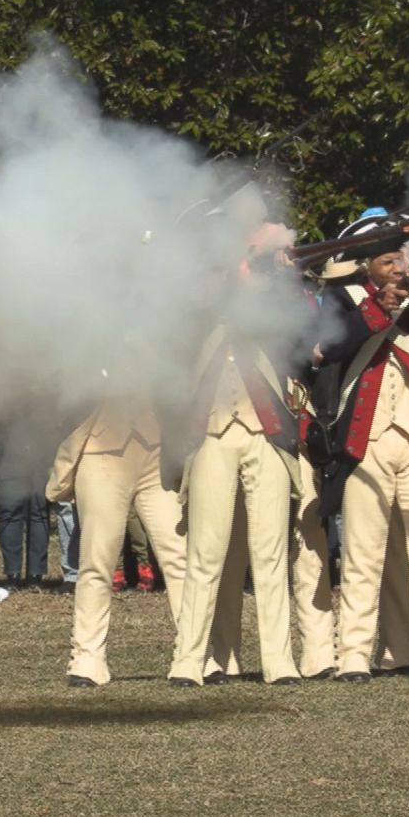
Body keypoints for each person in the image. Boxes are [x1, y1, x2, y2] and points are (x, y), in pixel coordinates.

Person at [313, 214, 409, 682]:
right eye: (388, 260)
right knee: (362, 556)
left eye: (402, 258)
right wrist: (377, 309)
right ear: (368, 267)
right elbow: (331, 350)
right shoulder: (342, 299)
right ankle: (355, 657)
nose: (399, 267)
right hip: (365, 444)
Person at [168, 257, 303, 687]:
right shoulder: (195, 306)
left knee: (270, 554)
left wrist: (279, 275)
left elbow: (297, 325)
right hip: (210, 433)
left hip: (268, 434)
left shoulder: (269, 300)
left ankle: (278, 661)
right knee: (205, 554)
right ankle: (188, 660)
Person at [50, 334, 187, 688]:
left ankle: (193, 652)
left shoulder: (160, 325)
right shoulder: (85, 329)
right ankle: (87, 657)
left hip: (156, 452)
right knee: (97, 558)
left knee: (180, 554)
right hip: (100, 451)